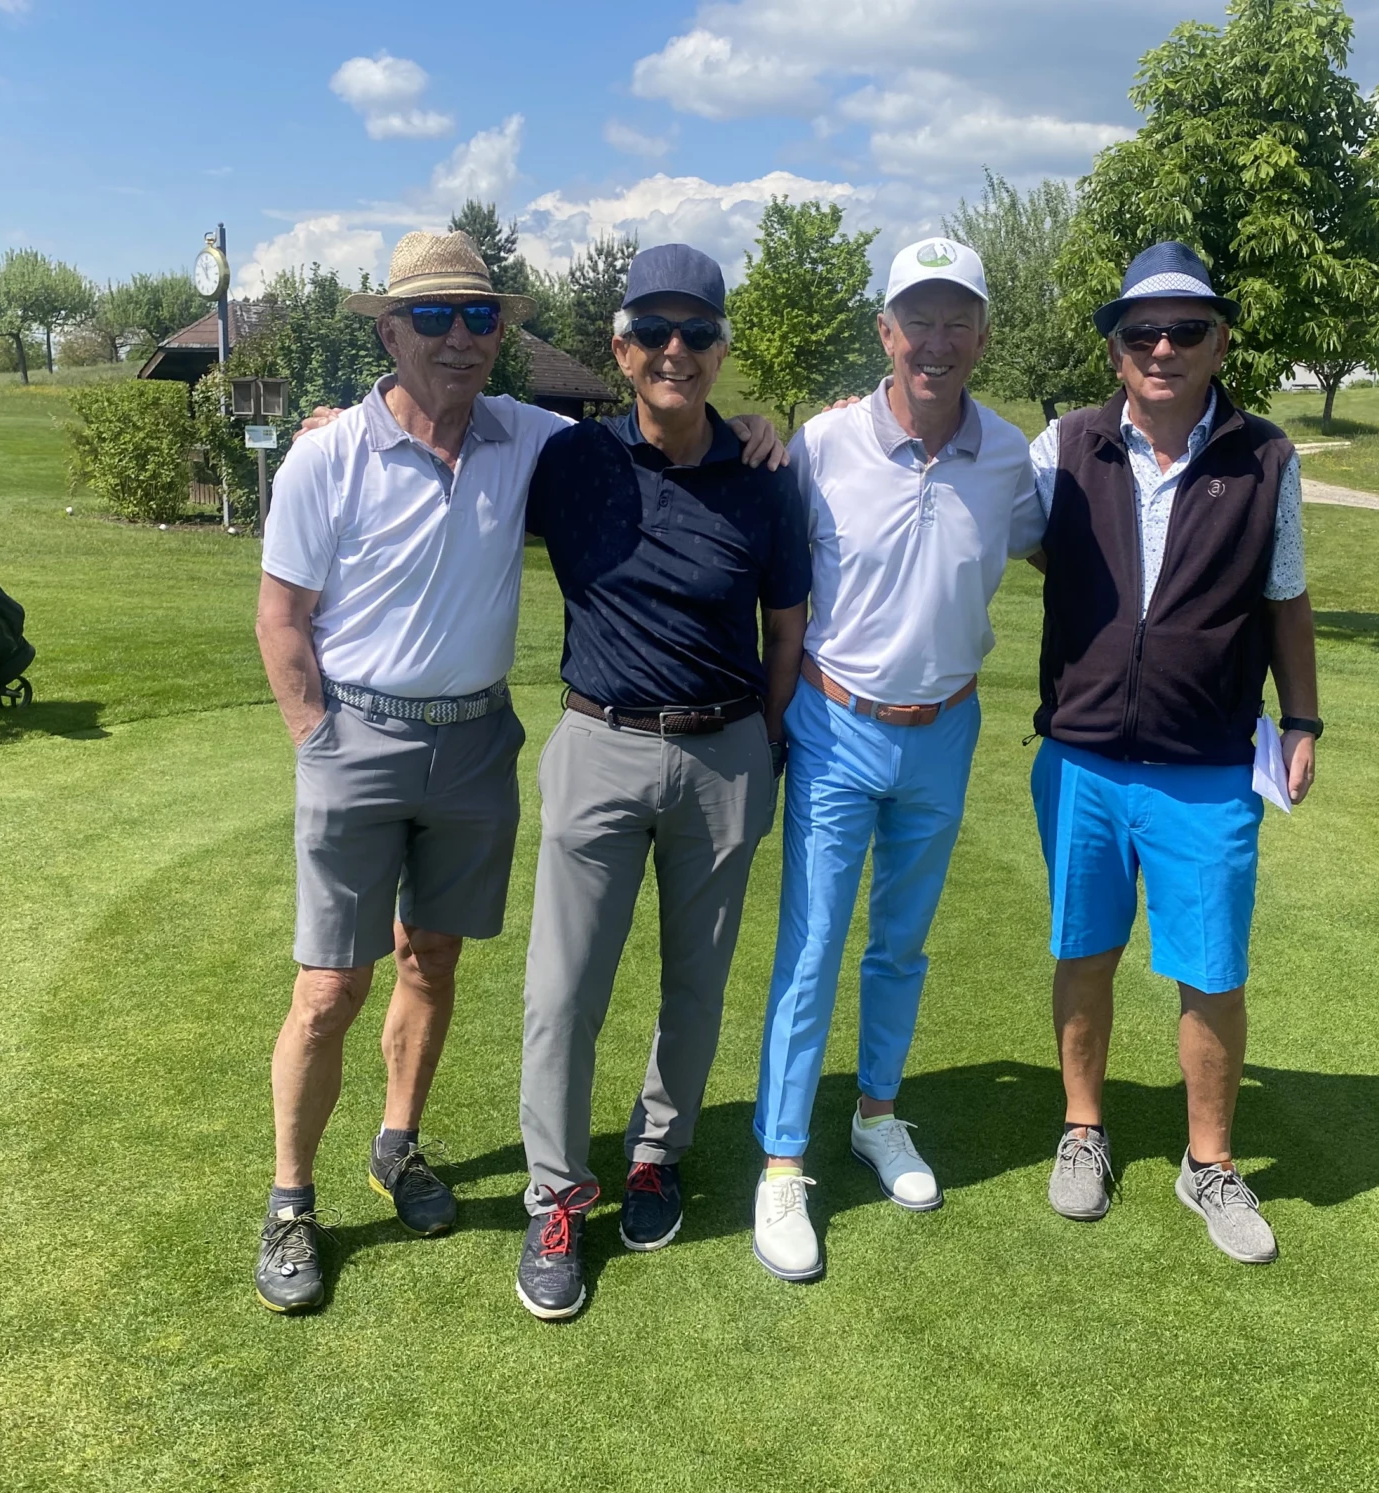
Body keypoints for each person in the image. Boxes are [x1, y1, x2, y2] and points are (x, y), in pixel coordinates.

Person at [251, 231, 780, 1314]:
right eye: (432, 316)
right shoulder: (332, 453)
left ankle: (398, 1146)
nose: (459, 337)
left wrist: (763, 429)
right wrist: (319, 744)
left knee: (430, 960)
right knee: (329, 988)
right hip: (360, 739)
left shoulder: (533, 439)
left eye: (479, 316)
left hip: (477, 741)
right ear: (389, 331)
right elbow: (280, 618)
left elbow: (673, 433)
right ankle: (291, 1202)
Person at [511, 245, 809, 1321]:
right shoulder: (568, 458)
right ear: (620, 347)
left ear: (721, 349)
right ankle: (555, 1196)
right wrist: (338, 422)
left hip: (725, 752)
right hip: (598, 742)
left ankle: (655, 1155)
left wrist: (760, 744)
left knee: (695, 983)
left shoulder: (765, 474)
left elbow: (786, 631)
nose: (673, 351)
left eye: (696, 333)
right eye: (652, 332)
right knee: (562, 992)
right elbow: (446, 435)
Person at [749, 238, 1045, 1283]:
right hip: (835, 724)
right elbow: (755, 536)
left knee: (902, 945)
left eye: (957, 319)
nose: (936, 339)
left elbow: (1078, 539)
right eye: (917, 319)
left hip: (946, 729)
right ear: (885, 333)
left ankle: (877, 1114)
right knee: (813, 945)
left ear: (982, 336)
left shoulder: (1009, 458)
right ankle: (783, 1162)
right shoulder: (822, 444)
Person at [1027, 241, 1320, 1264]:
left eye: (1185, 329)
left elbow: (1285, 599)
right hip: (1080, 758)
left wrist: (1301, 720)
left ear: (1219, 343)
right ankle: (1082, 1130)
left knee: (1211, 971)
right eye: (1141, 331)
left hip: (1207, 767)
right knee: (1083, 950)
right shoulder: (1063, 444)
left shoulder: (1266, 458)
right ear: (1115, 348)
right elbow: (986, 514)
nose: (1162, 347)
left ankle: (1210, 1163)